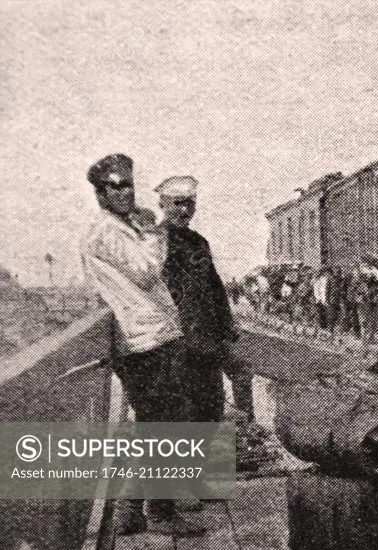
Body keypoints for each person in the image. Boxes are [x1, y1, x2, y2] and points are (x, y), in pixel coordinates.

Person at [79, 155, 204, 537]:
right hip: (143, 340)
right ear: (100, 194)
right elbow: (147, 273)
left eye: (129, 184)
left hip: (153, 335)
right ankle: (161, 514)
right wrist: (154, 231)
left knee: (151, 425)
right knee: (162, 427)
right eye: (116, 186)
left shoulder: (122, 227)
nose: (126, 192)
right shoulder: (106, 233)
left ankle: (130, 511)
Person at [156, 176, 253, 511]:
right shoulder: (152, 243)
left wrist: (227, 332)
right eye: (177, 204)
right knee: (176, 415)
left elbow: (214, 290)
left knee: (210, 408)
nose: (185, 210)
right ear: (163, 205)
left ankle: (205, 481)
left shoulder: (199, 243)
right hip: (175, 340)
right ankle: (172, 494)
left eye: (190, 203)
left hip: (207, 340)